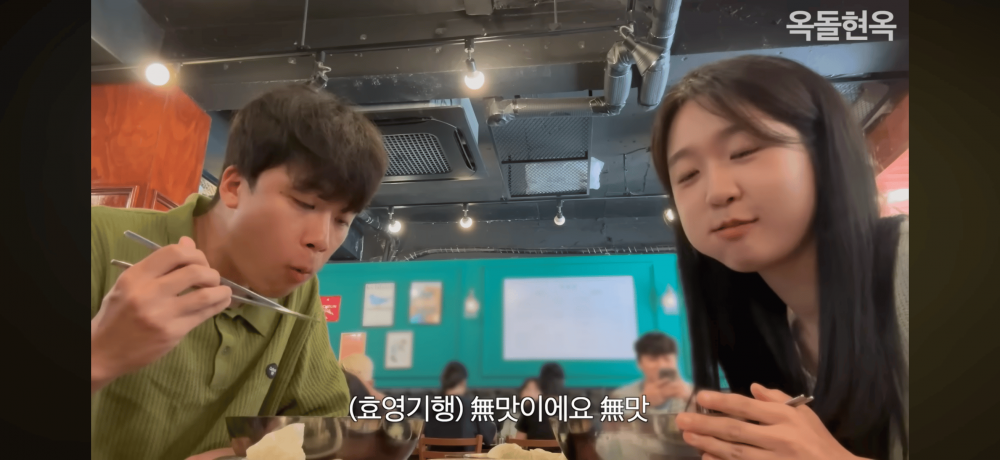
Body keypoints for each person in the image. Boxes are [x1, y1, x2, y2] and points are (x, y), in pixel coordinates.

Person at [90, 84, 389, 460]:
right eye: (304, 204)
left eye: (343, 220)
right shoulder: (98, 238)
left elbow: (324, 425)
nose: (322, 240)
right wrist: (100, 356)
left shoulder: (298, 294)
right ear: (233, 187)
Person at [648, 55, 908, 460]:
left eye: (744, 150)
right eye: (688, 175)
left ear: (825, 153)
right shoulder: (761, 325)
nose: (717, 191)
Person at [611, 332, 691, 419]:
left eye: (667, 359)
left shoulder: (691, 392)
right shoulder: (621, 395)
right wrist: (641, 404)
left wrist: (692, 400)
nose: (661, 365)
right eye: (653, 359)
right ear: (639, 363)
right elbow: (613, 425)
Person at [424, 361, 497, 453]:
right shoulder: (471, 405)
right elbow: (491, 437)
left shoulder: (429, 406)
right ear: (463, 382)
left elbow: (422, 438)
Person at [513, 362, 564, 441]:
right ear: (562, 383)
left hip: (533, 450)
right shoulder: (572, 410)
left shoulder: (530, 410)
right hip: (564, 450)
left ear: (541, 384)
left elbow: (518, 443)